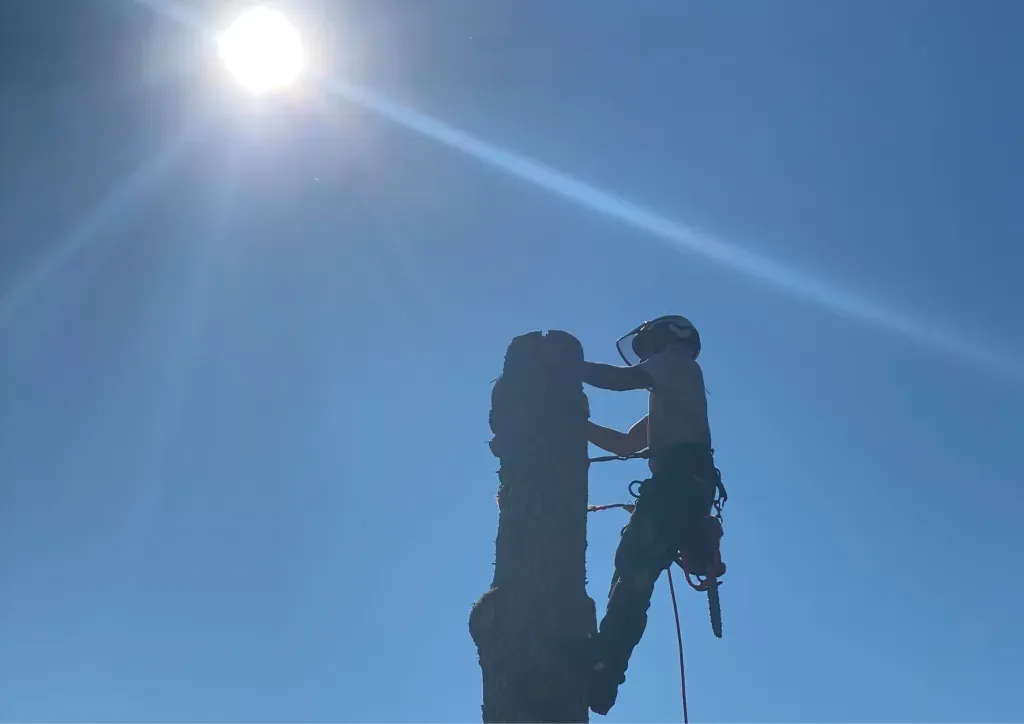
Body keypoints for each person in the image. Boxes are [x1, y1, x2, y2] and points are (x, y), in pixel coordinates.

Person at [570, 315, 722, 716]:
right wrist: (575, 424)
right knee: (633, 571)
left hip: (676, 486)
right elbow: (624, 444)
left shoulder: (677, 362)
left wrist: (564, 368)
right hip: (686, 488)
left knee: (633, 567)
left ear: (669, 339)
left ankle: (604, 665)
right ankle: (605, 667)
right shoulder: (674, 388)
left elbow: (619, 380)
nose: (648, 354)